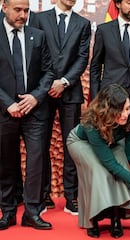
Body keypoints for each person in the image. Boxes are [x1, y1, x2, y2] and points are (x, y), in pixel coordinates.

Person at [67, 84, 130, 238]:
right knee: (98, 170)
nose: (124, 114)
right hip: (81, 142)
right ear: (107, 110)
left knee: (122, 163)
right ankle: (93, 219)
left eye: (127, 108)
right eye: (119, 110)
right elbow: (109, 164)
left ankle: (116, 217)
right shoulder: (92, 122)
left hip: (110, 141)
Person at [0, 0, 54, 230]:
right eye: (18, 10)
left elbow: (49, 71)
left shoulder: (37, 35)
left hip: (34, 111)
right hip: (5, 111)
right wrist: (7, 103)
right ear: (4, 6)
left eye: (26, 10)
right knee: (5, 162)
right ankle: (8, 211)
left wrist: (36, 97)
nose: (23, 15)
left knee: (35, 161)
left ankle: (32, 211)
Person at [33, 0, 91, 214]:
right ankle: (43, 194)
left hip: (71, 91)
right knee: (40, 143)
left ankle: (71, 197)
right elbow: (35, 53)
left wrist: (64, 81)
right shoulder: (38, 19)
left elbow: (82, 57)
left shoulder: (83, 23)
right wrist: (48, 84)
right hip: (43, 91)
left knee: (71, 145)